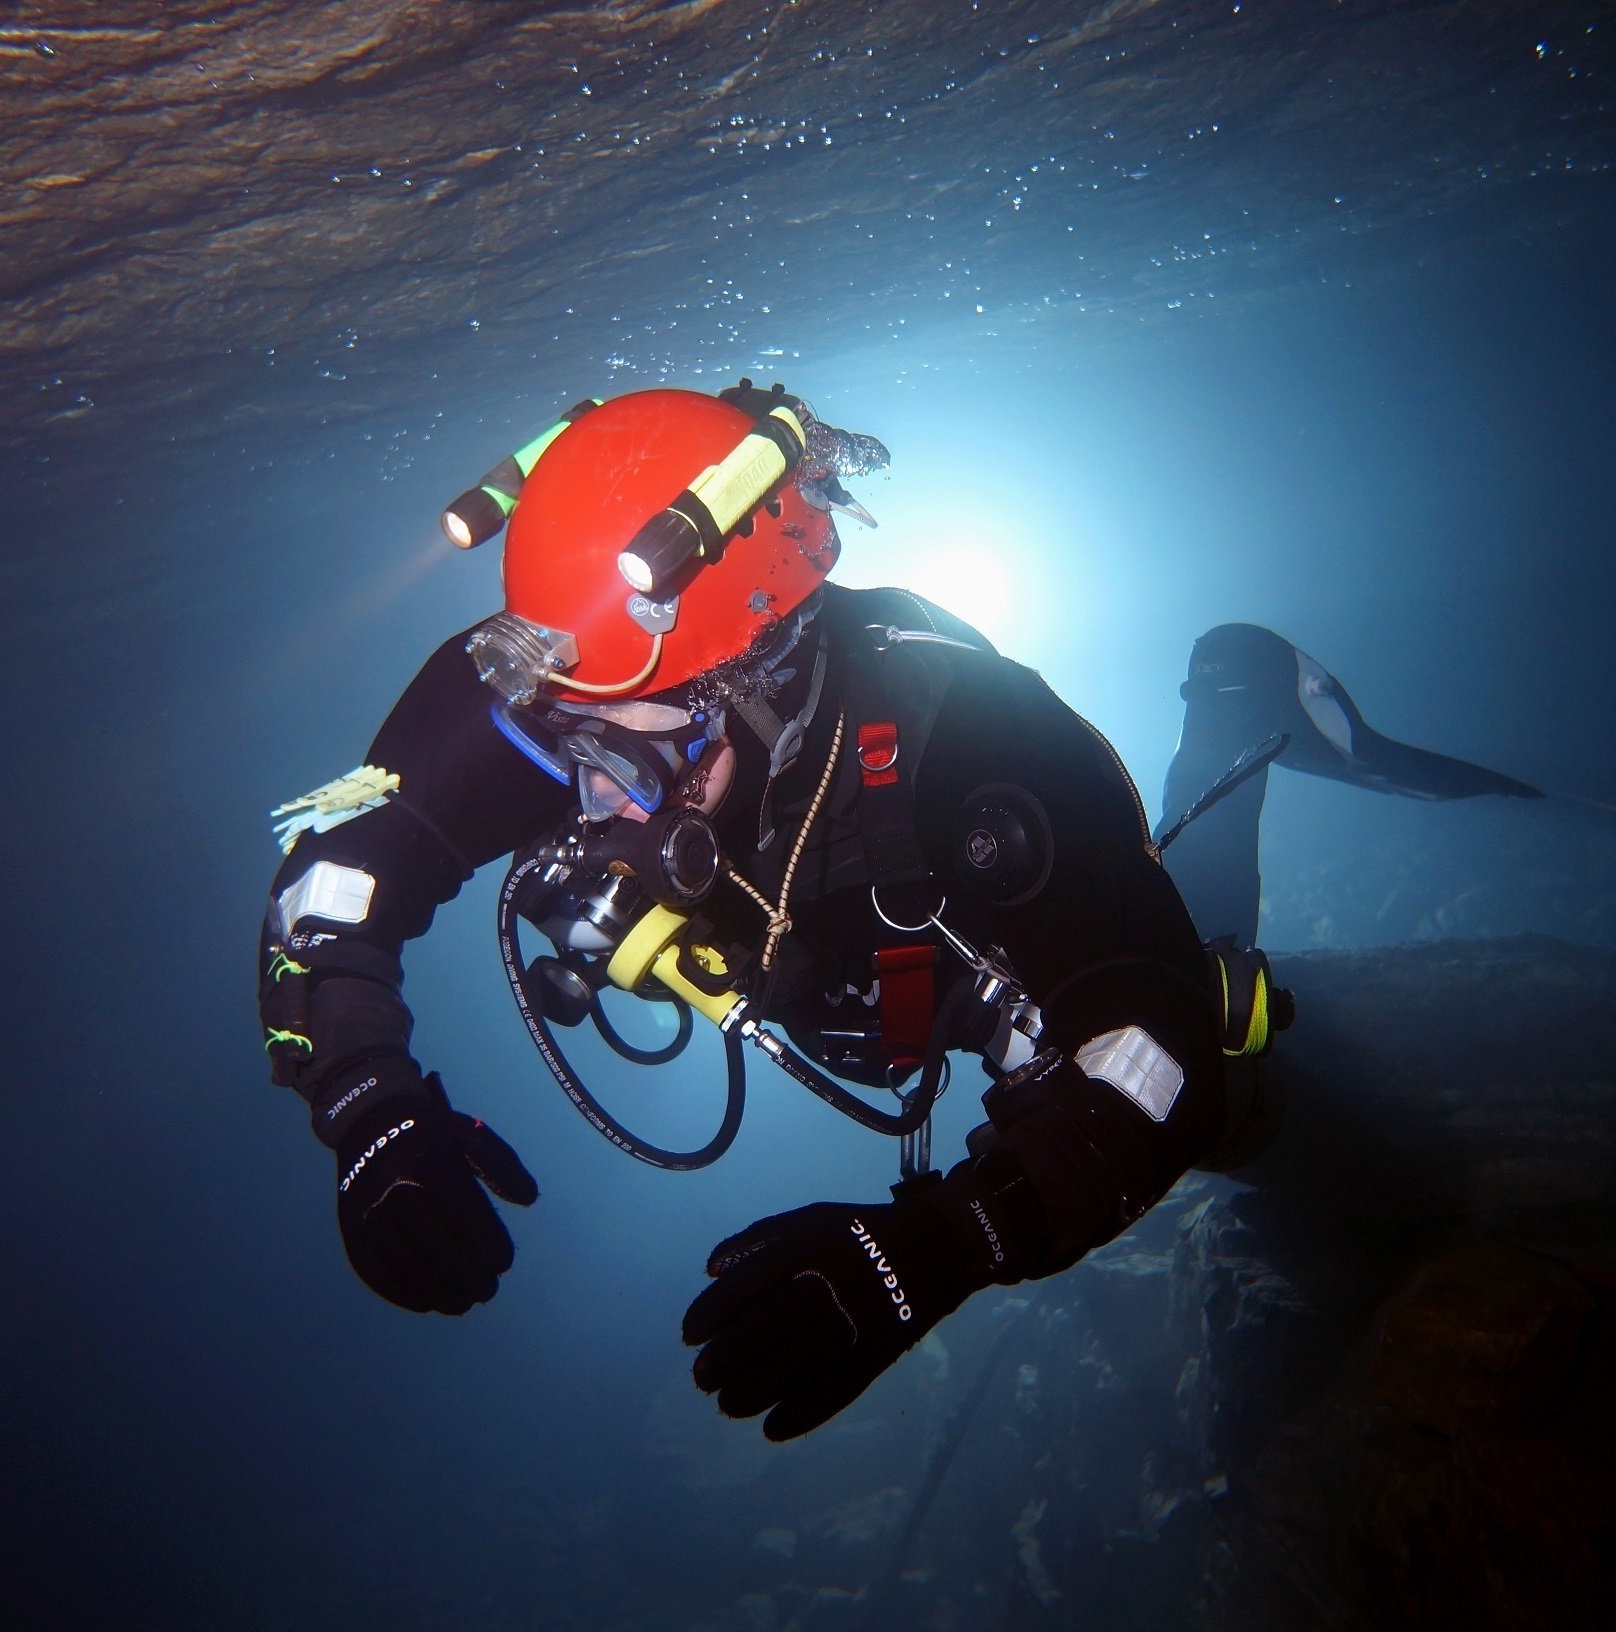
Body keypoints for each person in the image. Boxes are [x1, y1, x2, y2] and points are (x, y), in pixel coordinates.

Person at [257, 382, 1232, 1441]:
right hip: (834, 990)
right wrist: (364, 1105)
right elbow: (333, 881)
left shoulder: (970, 734)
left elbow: (1157, 1047)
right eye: (565, 746)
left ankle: (1240, 715)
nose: (598, 803)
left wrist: (950, 1242)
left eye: (638, 757)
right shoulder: (567, 670)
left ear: (766, 678)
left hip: (1019, 997)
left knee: (1234, 1080)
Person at [1160, 622, 1543, 946]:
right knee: (1205, 815)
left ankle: (1204, 959)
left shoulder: (1231, 710)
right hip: (1262, 684)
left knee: (1199, 813)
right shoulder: (1256, 698)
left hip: (1251, 685)